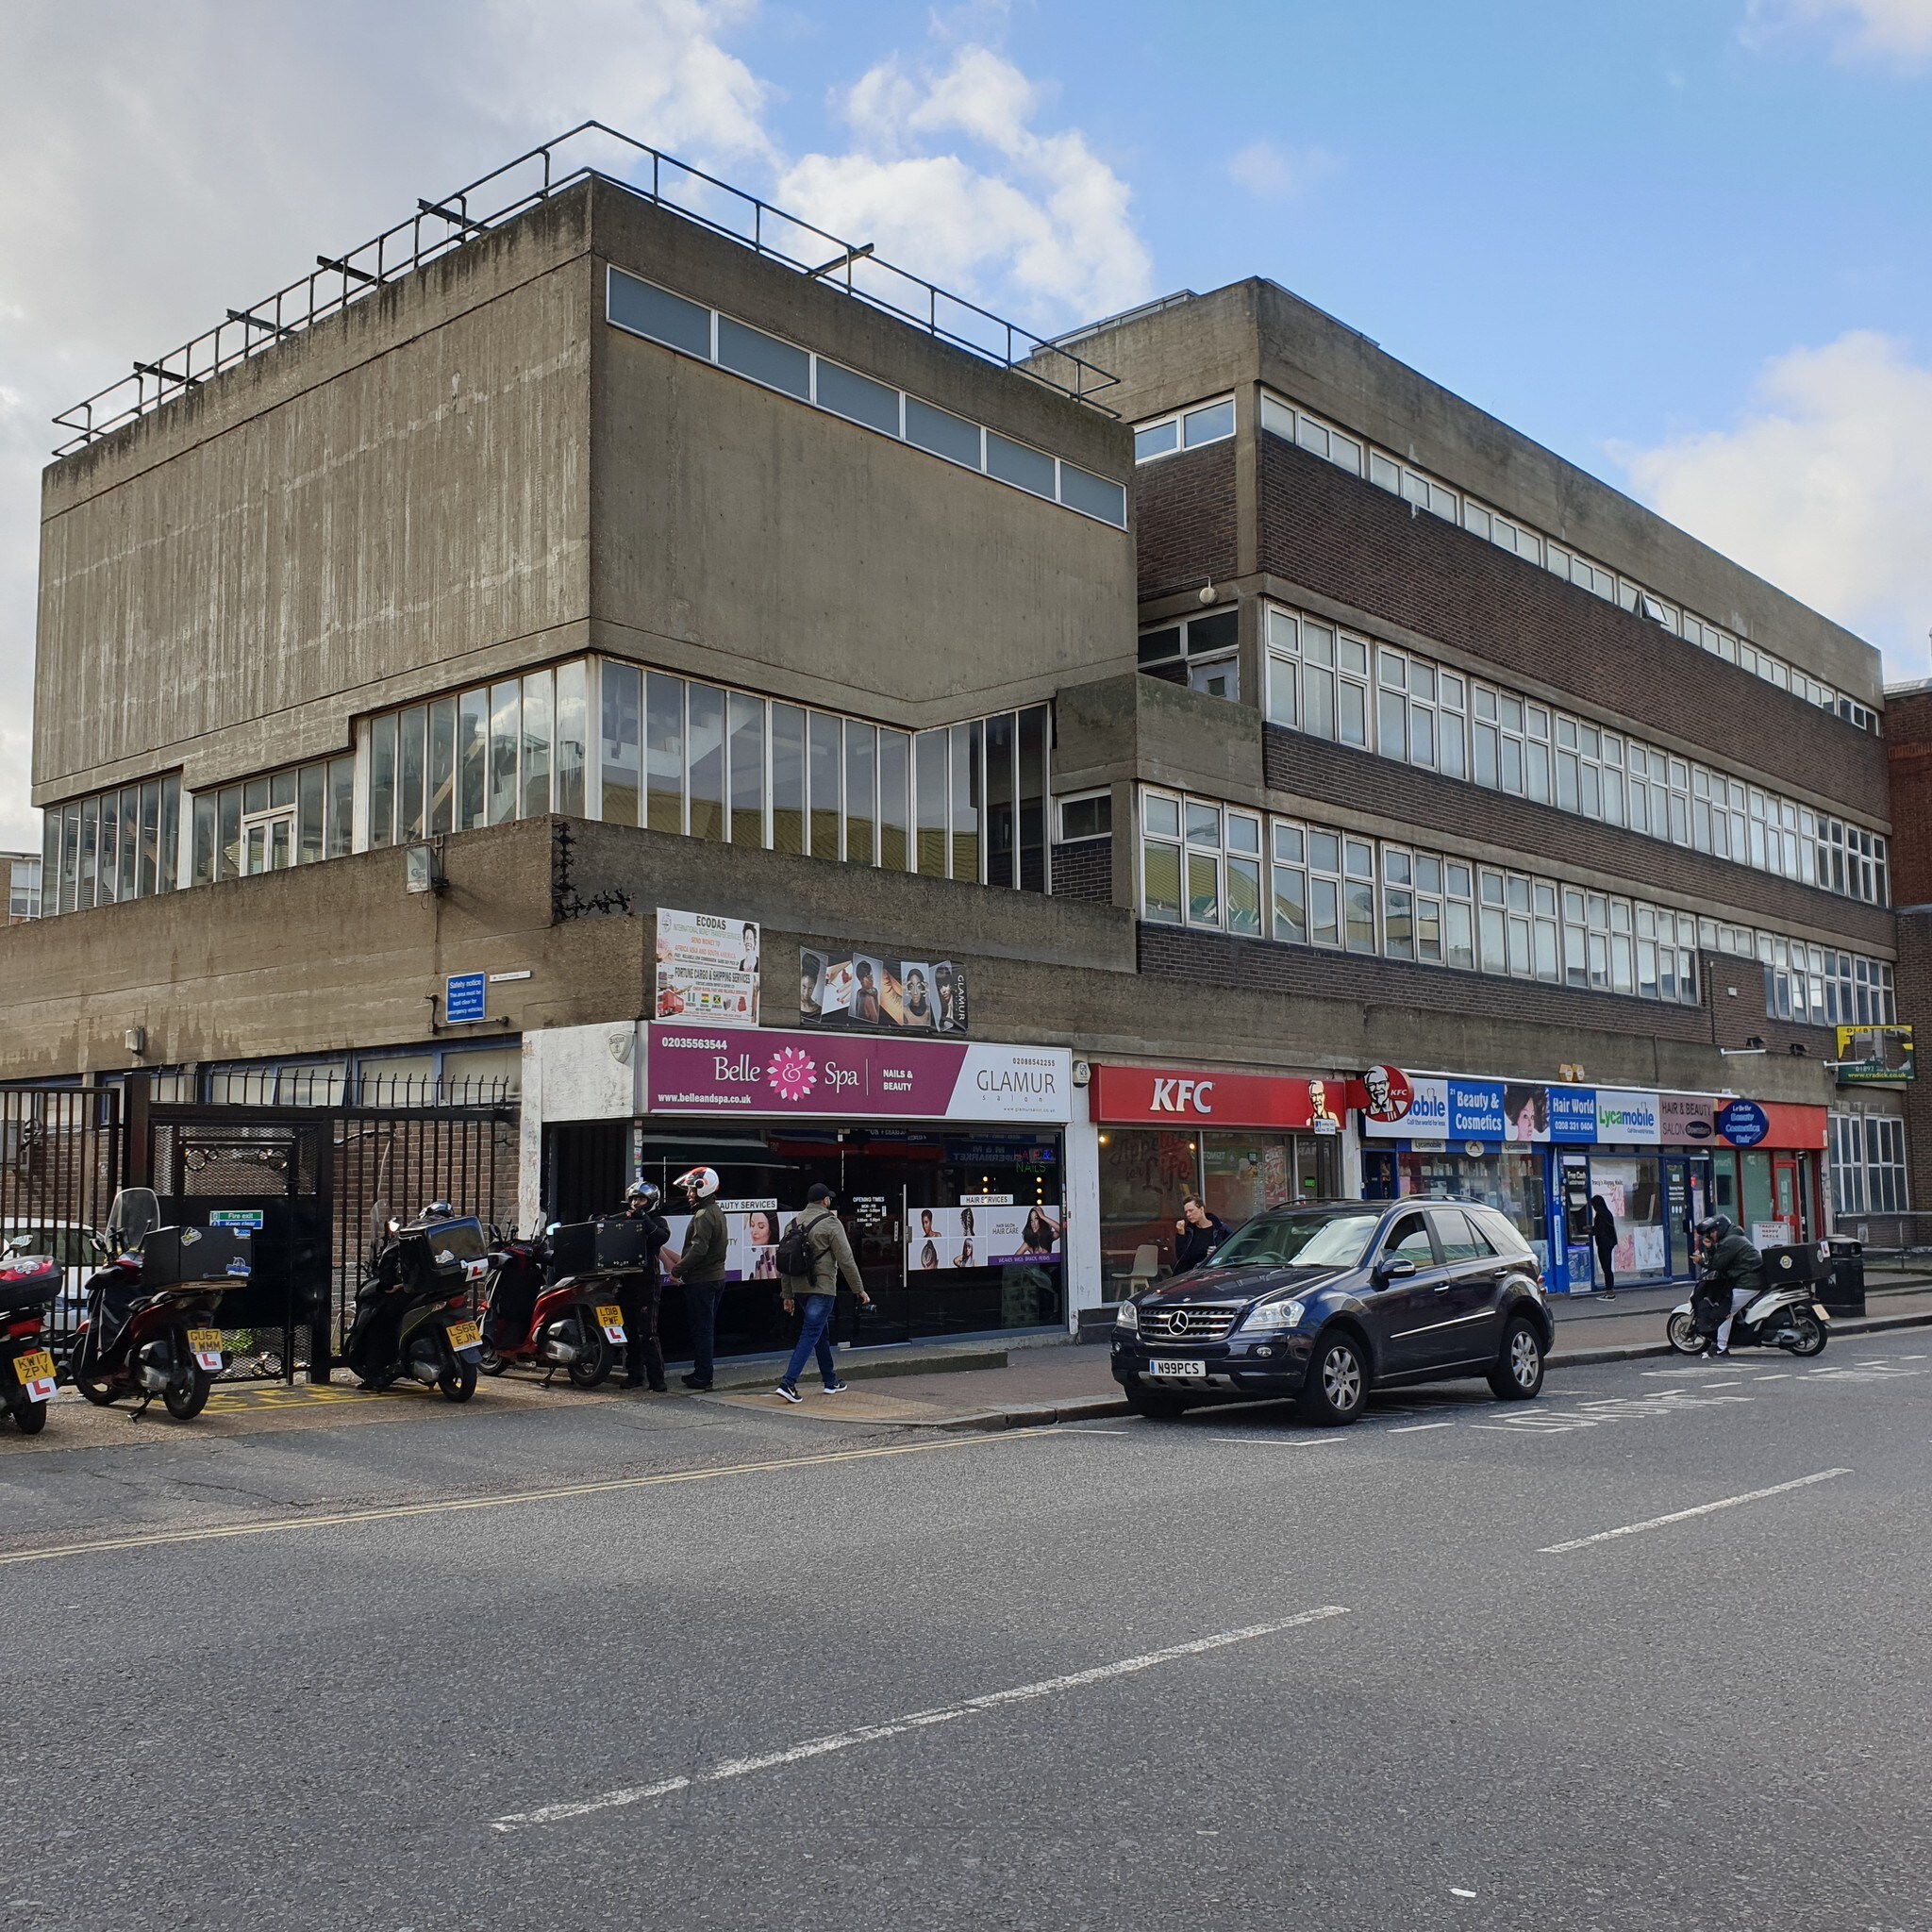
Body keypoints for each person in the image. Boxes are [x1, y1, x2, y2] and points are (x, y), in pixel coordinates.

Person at [774, 1183, 874, 1403]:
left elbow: (785, 1264)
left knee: (820, 1333)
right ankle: (788, 1383)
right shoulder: (831, 1223)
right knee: (811, 1332)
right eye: (829, 1199)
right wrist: (859, 1289)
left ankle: (830, 1381)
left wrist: (787, 1295)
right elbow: (846, 1260)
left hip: (800, 1290)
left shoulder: (791, 1224)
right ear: (825, 1201)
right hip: (822, 1289)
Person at [670, 1166, 728, 1390]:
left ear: (703, 1189)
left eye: (691, 1190)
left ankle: (703, 1376)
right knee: (705, 1327)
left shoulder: (704, 1215)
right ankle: (701, 1371)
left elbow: (698, 1249)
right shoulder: (716, 1211)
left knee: (702, 1329)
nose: (688, 1195)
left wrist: (677, 1270)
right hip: (715, 1278)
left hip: (702, 1280)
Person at [614, 1179, 671, 1391]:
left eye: (642, 1199)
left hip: (647, 1279)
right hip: (626, 1277)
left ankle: (657, 1378)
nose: (637, 1203)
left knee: (648, 1331)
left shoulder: (657, 1221)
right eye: (634, 1199)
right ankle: (634, 1374)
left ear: (651, 1201)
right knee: (628, 1328)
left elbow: (660, 1237)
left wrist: (643, 1218)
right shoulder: (627, 1219)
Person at [1693, 1213, 1764, 1357]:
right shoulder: (1734, 1238)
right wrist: (1711, 1248)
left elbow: (1717, 1265)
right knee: (1728, 1303)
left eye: (1712, 1232)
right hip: (1752, 1279)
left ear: (1720, 1229)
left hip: (1749, 1282)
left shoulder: (1730, 1242)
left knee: (1723, 1311)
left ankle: (1721, 1347)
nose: (1711, 1235)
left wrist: (1702, 1260)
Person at [1173, 1196, 1229, 1274]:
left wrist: (1217, 1253)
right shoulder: (1189, 1231)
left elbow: (1235, 1248)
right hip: (1191, 1274)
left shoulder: (1221, 1229)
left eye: (1191, 1210)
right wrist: (1181, 1233)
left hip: (1215, 1272)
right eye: (1186, 1212)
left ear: (1201, 1209)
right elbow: (1180, 1257)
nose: (1188, 1214)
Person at [1591, 1194, 1618, 1302]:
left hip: (1604, 1244)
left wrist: (1590, 1231)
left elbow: (1600, 1229)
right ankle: (1609, 1291)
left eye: (1594, 1205)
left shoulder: (1600, 1214)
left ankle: (1610, 1293)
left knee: (1606, 1268)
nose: (1593, 1207)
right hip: (1609, 1243)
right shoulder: (1607, 1213)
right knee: (1607, 1268)